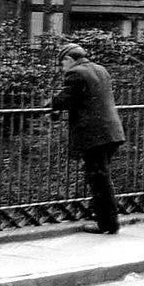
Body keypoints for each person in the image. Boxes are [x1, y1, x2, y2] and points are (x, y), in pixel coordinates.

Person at [47, 43, 126, 235]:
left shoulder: (76, 73)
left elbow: (65, 98)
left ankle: (108, 224)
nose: (62, 68)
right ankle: (107, 219)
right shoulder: (100, 70)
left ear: (69, 59)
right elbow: (85, 98)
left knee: (99, 179)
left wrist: (50, 104)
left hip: (94, 135)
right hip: (112, 132)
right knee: (102, 177)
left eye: (62, 63)